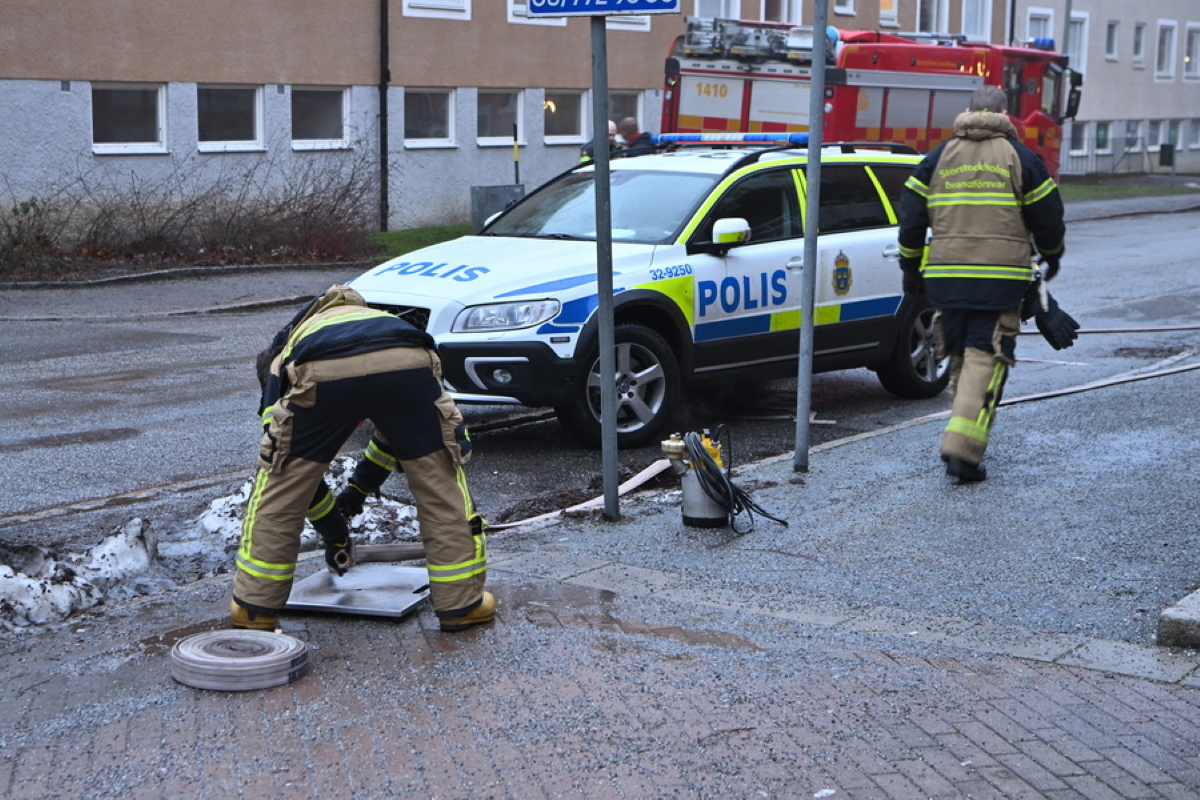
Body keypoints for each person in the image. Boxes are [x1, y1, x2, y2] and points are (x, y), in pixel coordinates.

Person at [230, 284, 493, 632]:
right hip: (409, 360)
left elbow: (298, 481)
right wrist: (357, 489)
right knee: (440, 484)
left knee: (279, 485)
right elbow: (396, 437)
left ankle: (253, 610)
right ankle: (463, 605)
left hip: (321, 369)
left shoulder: (284, 359)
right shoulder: (376, 321)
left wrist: (335, 533)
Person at [897, 86, 1066, 483]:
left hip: (945, 278)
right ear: (1005, 113)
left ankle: (961, 437)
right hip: (999, 281)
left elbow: (911, 217)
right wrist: (1052, 254)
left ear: (969, 110)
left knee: (960, 355)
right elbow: (1048, 215)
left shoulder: (938, 158)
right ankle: (963, 450)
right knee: (984, 358)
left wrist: (910, 269)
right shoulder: (1020, 157)